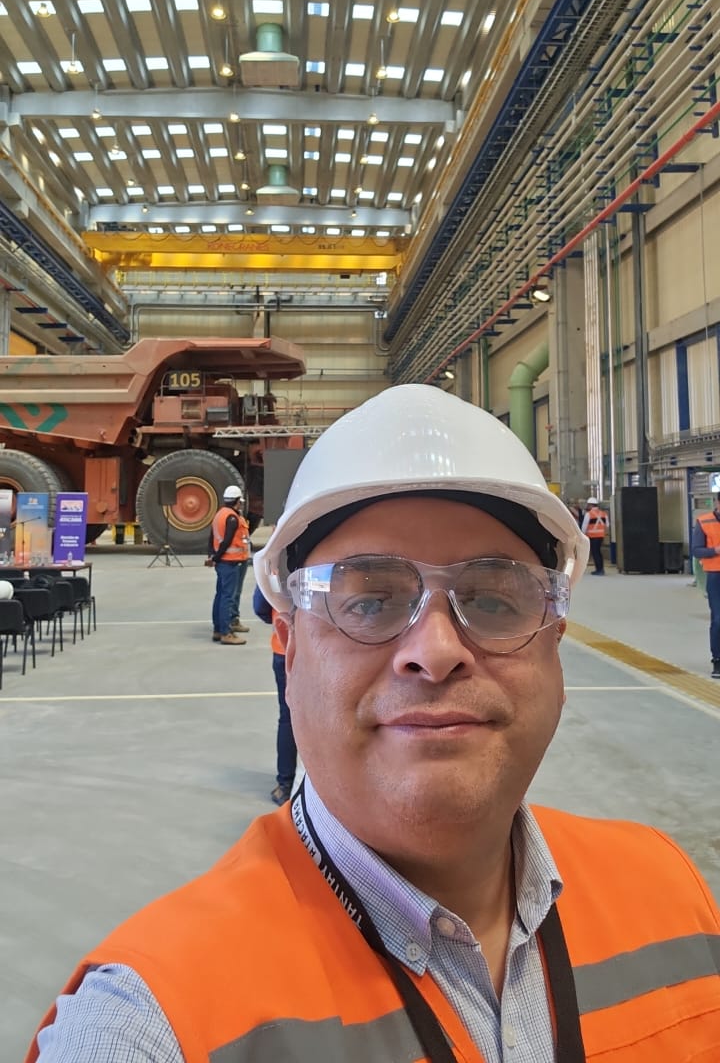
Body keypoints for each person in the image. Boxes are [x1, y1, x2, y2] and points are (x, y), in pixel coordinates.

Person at [27, 387, 720, 1062]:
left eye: (492, 601)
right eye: (368, 602)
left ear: (554, 644)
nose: (436, 651)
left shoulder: (670, 895)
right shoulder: (155, 1022)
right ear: (290, 648)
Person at [253, 582, 298, 805]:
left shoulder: (273, 568)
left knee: (288, 717)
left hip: (285, 649)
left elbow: (260, 606)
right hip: (326, 652)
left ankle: (285, 785)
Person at [205, 483, 249, 646]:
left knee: (221, 595)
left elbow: (212, 538)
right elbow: (227, 541)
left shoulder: (220, 514)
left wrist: (213, 556)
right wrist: (216, 558)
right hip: (231, 562)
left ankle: (218, 629)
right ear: (237, 501)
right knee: (227, 597)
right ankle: (226, 633)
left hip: (223, 563)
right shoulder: (232, 518)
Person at [691, 490, 720, 678]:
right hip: (715, 576)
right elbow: (696, 550)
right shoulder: (704, 522)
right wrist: (715, 550)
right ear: (717, 503)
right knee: (718, 619)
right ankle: (717, 659)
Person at [581, 497, 609, 575]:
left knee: (595, 553)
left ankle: (599, 570)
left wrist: (582, 535)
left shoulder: (588, 514)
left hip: (593, 537)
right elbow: (607, 525)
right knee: (598, 552)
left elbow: (584, 527)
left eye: (588, 505)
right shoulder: (604, 514)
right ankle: (601, 569)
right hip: (601, 536)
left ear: (590, 505)